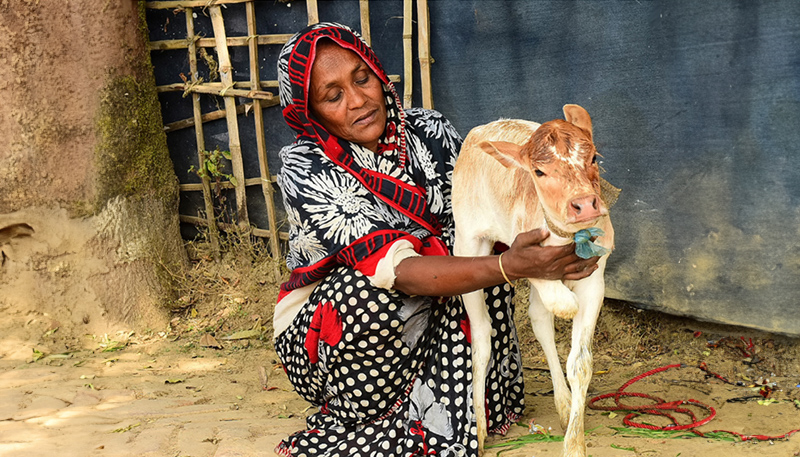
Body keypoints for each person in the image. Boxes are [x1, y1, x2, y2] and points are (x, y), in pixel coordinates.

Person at [272, 22, 599, 457]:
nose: (358, 100)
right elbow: (403, 273)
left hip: (447, 292)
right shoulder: (304, 166)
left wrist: (569, 191)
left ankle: (462, 395)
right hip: (346, 333)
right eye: (333, 97)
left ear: (376, 70)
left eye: (362, 78)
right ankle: (372, 409)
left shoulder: (430, 129)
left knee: (477, 259)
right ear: (310, 112)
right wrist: (510, 267)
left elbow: (490, 201)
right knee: (370, 292)